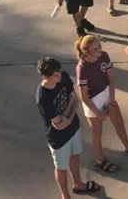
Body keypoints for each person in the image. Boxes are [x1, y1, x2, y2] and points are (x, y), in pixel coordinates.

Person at [74, 35, 128, 174]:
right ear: (86, 51)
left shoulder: (104, 56)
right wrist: (98, 113)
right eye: (95, 48)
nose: (99, 50)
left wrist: (111, 100)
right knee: (97, 133)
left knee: (119, 122)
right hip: (92, 101)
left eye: (99, 46)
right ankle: (100, 160)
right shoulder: (82, 68)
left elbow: (111, 79)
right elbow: (84, 97)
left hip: (106, 94)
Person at [37, 56, 100, 197]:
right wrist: (71, 111)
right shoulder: (43, 97)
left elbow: (75, 98)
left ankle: (79, 184)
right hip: (58, 138)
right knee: (61, 168)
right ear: (45, 76)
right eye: (55, 75)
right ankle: (65, 196)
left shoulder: (63, 76)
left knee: (75, 156)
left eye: (59, 72)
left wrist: (67, 117)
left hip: (73, 129)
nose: (59, 76)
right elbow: (58, 125)